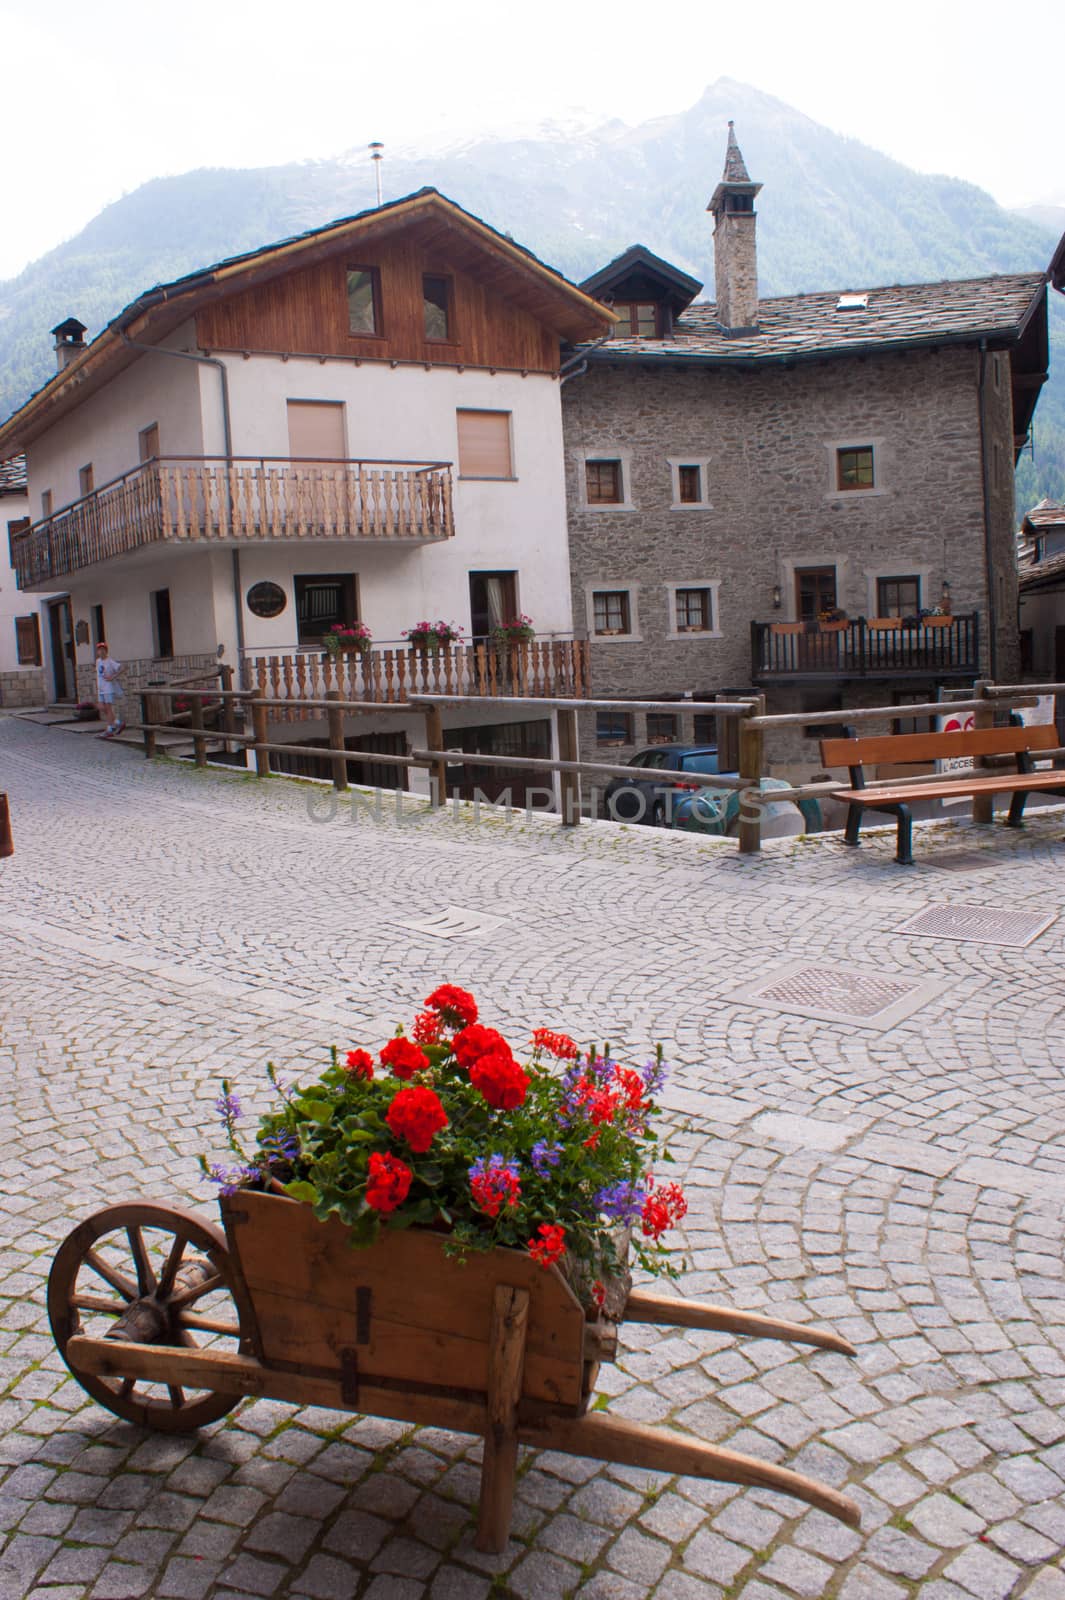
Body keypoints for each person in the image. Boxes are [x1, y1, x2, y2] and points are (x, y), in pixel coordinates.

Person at [95, 642, 125, 737]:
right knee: (101, 707)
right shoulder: (98, 661)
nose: (101, 651)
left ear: (106, 651)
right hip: (101, 688)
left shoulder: (110, 661)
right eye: (99, 649)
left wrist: (113, 676)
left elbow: (122, 668)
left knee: (108, 708)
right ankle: (117, 723)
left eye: (103, 649)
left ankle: (110, 729)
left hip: (108, 688)